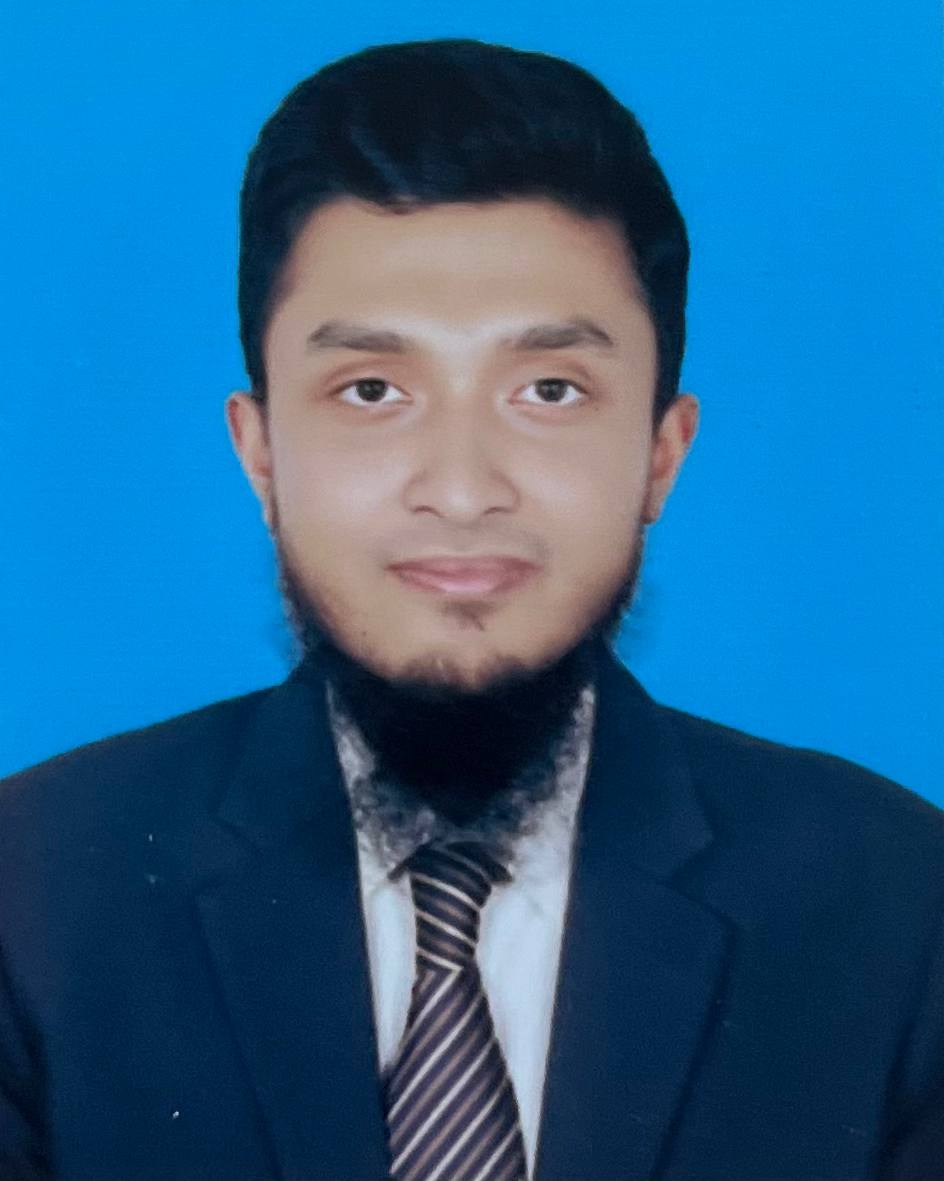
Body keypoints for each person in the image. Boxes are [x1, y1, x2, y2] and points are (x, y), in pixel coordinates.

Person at [0, 37, 941, 1181]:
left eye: (548, 389)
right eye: (370, 389)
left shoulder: (899, 905)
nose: (458, 488)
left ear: (661, 450)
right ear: (260, 452)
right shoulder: (31, 894)